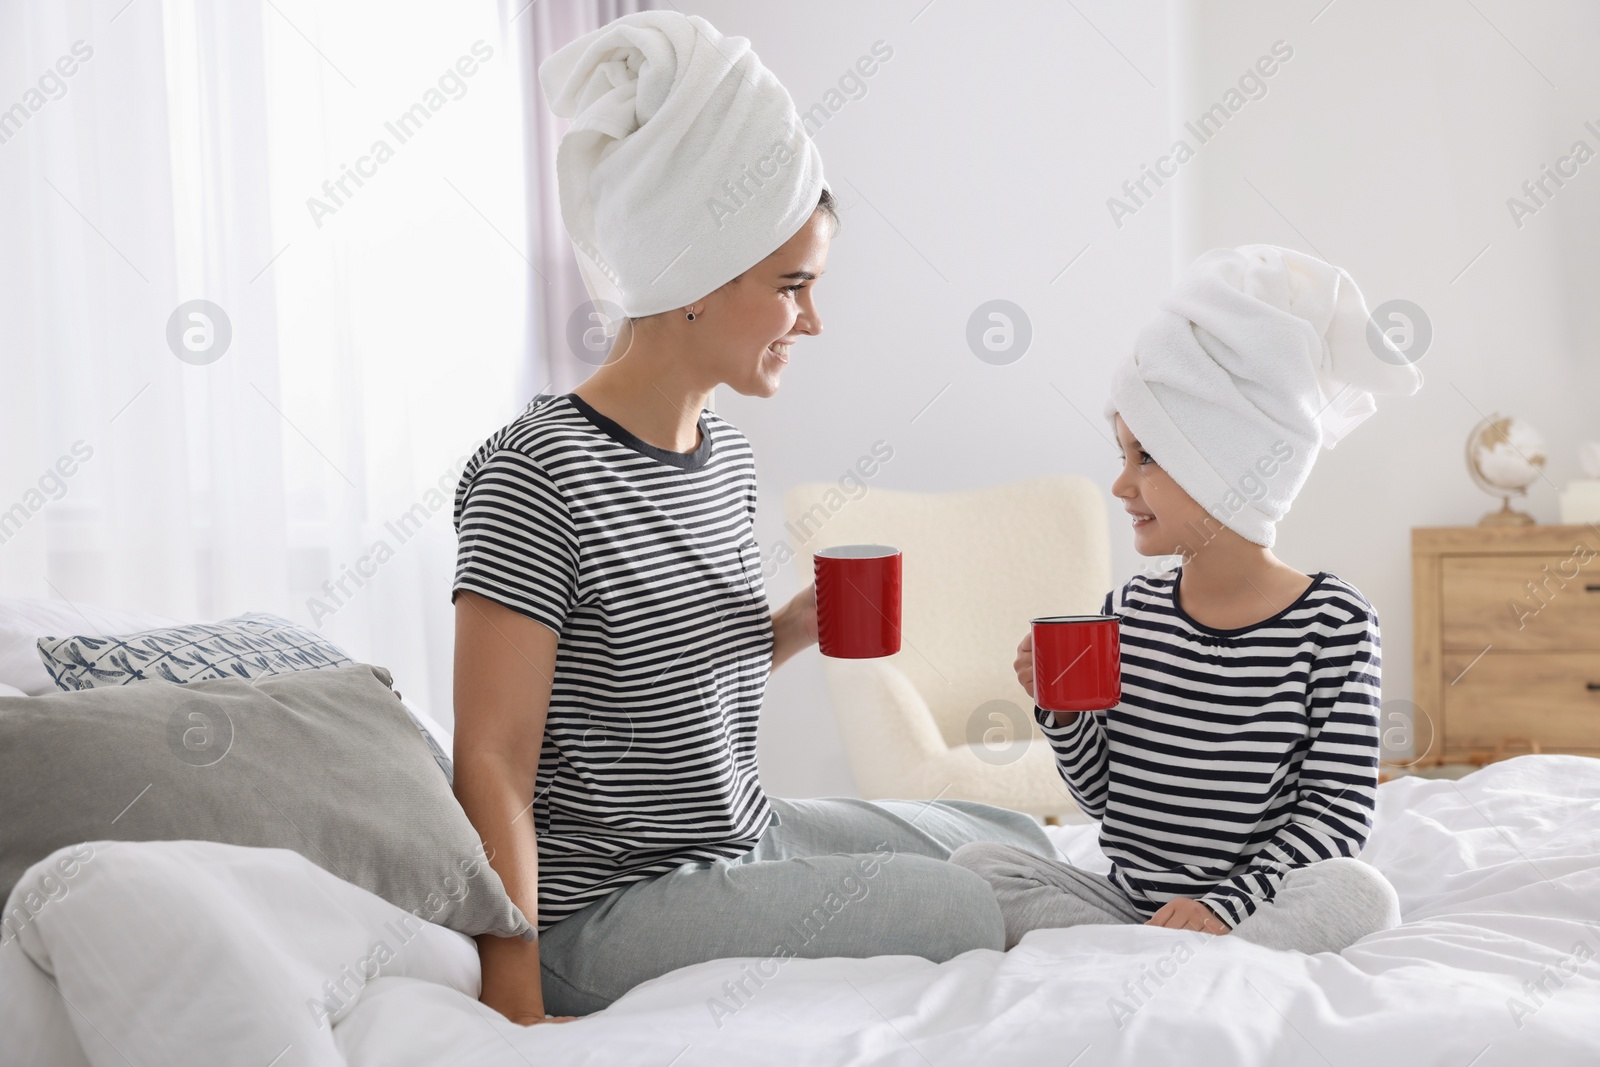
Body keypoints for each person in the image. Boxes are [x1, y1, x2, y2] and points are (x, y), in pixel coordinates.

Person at [449, 10, 1057, 1024]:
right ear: (693, 280)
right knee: (967, 900)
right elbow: (493, 756)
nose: (811, 320)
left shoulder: (722, 454)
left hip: (738, 838)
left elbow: (662, 681)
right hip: (604, 904)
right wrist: (512, 994)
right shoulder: (533, 473)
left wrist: (790, 628)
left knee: (1013, 839)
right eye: (791, 287)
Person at [952, 245, 1420, 954]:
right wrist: (1061, 710)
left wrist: (1225, 906)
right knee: (975, 869)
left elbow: (1337, 813)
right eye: (1122, 455)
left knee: (1361, 893)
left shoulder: (1336, 623)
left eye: (1148, 457)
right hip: (1129, 900)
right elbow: (1105, 801)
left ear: (1228, 467)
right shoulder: (1127, 611)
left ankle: (1157, 951)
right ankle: (1158, 948)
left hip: (1250, 901)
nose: (1121, 485)